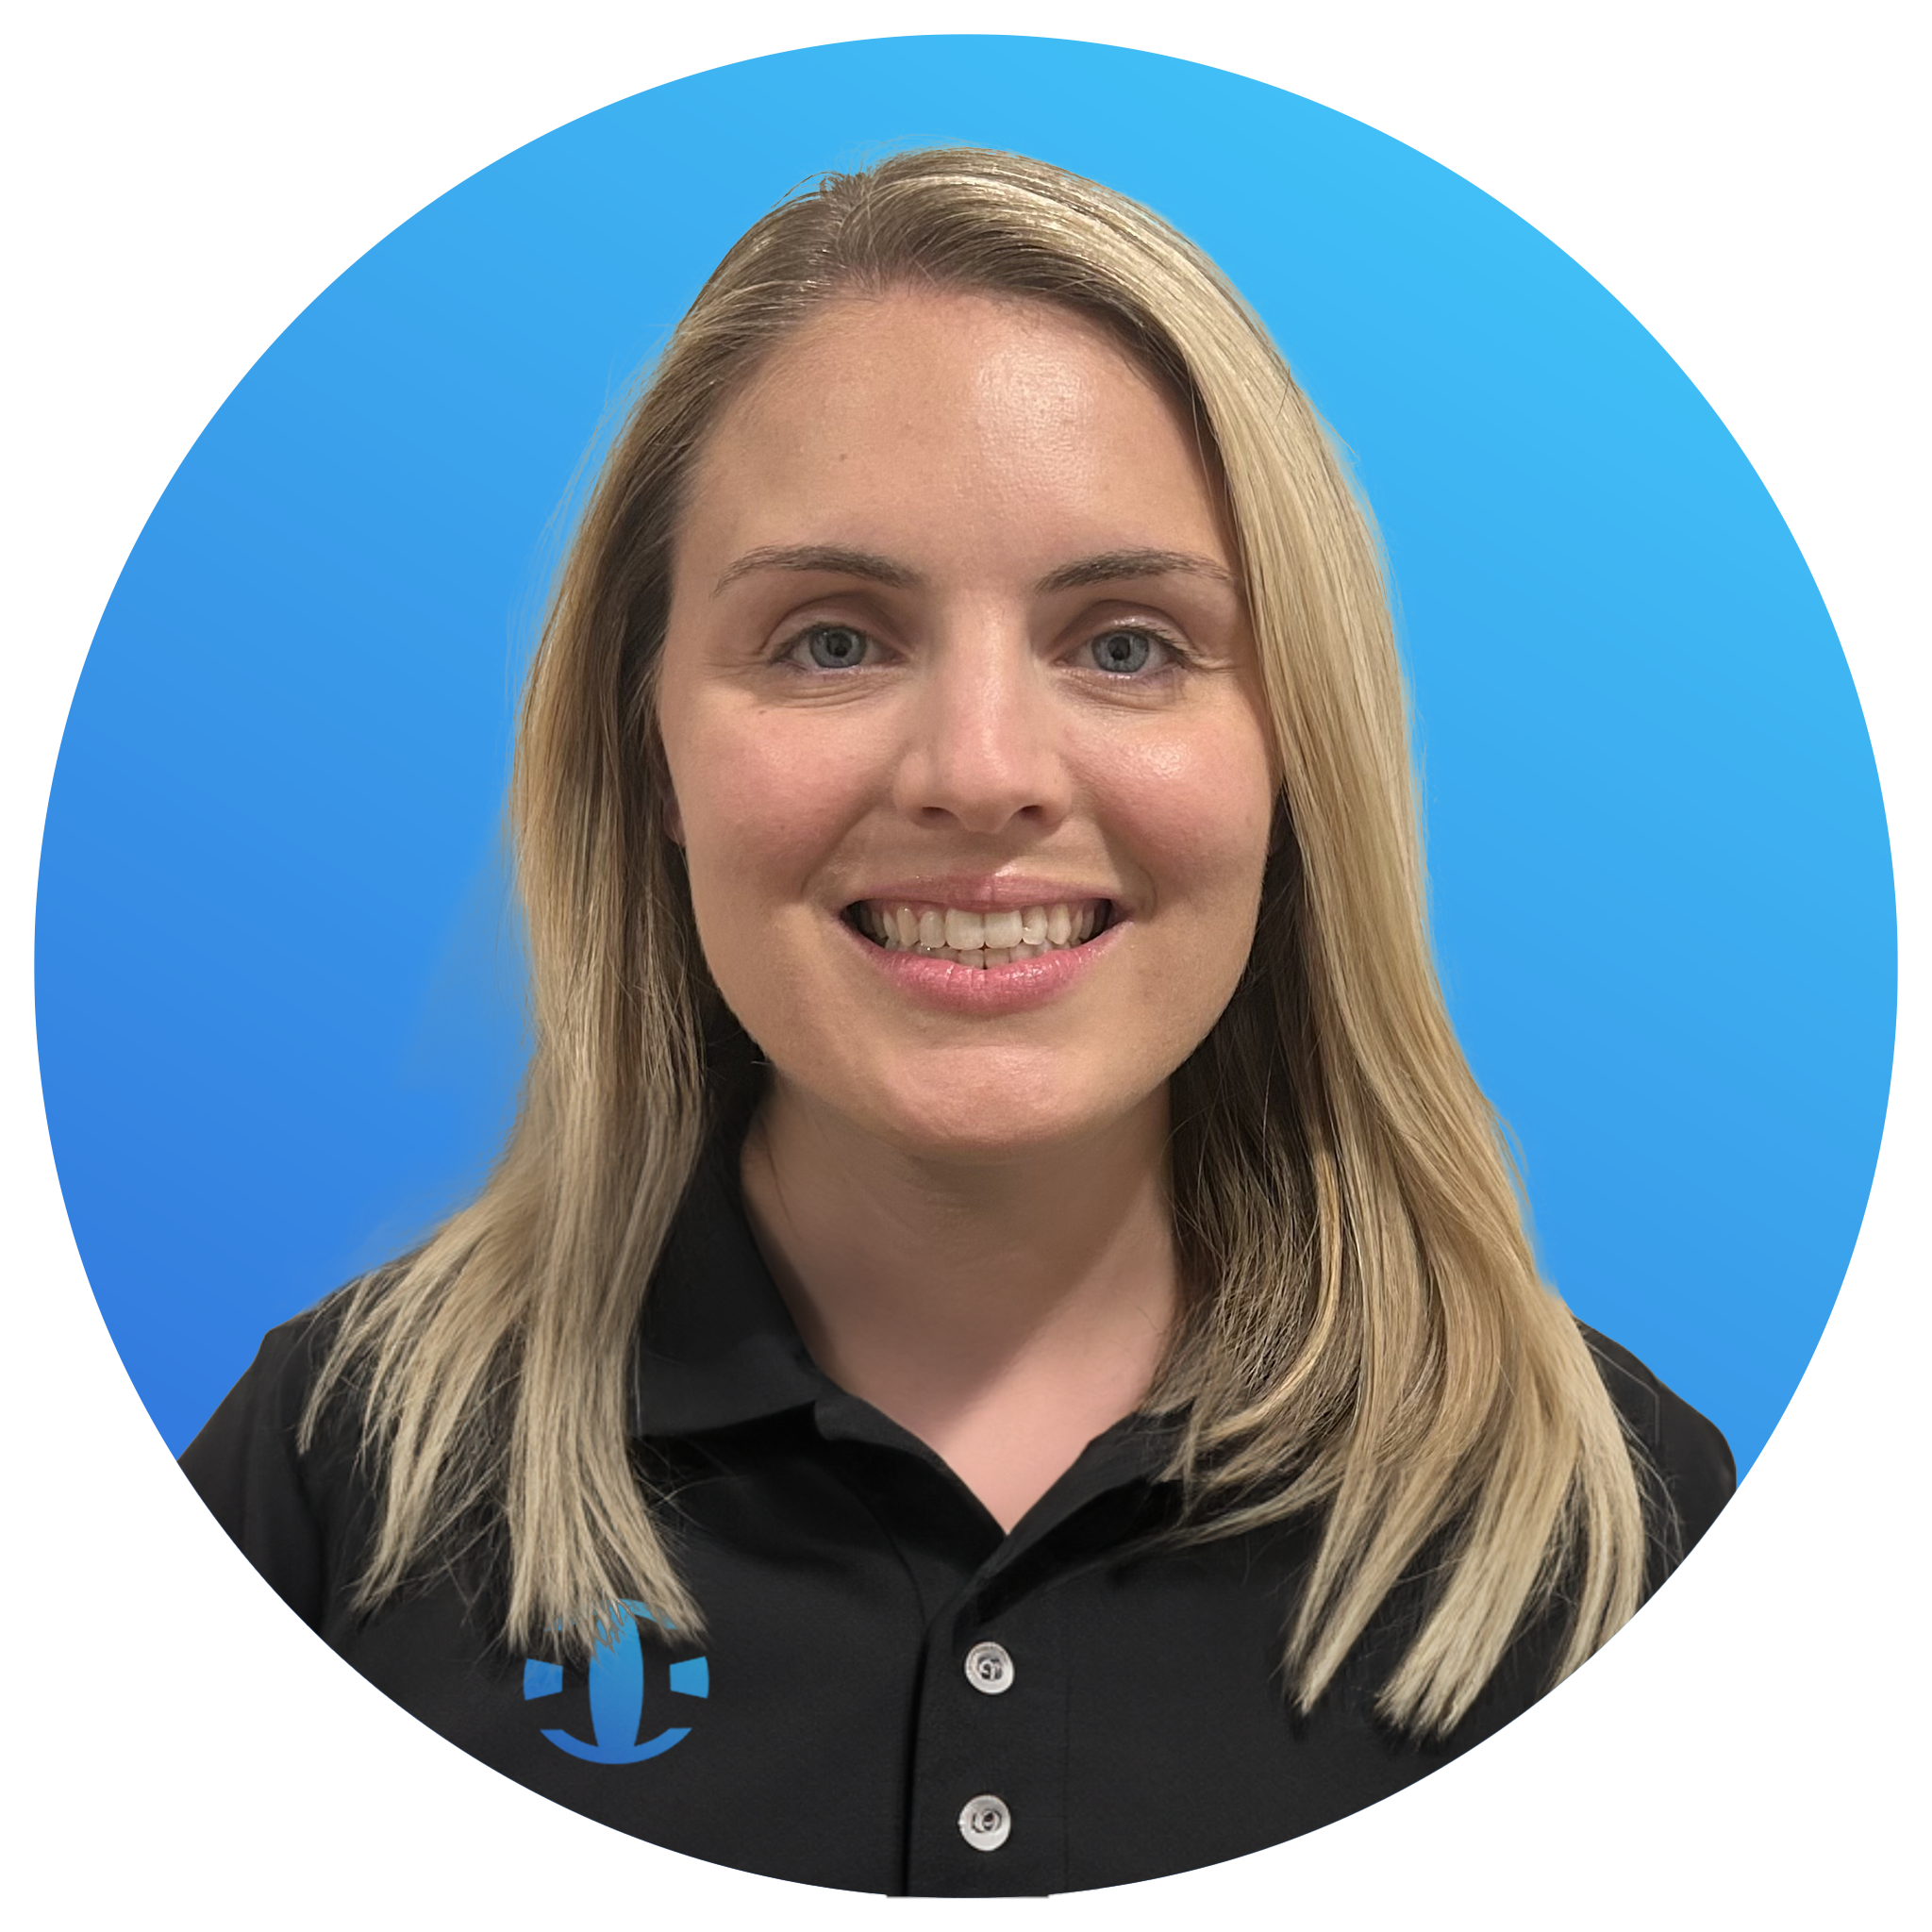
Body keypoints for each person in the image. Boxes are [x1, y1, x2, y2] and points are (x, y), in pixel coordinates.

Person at [178, 146, 1734, 1898]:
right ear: (651, 748)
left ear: (1297, 751)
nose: (981, 776)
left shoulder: (1614, 1522)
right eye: (833, 642)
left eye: (1130, 644)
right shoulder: (335, 1479)